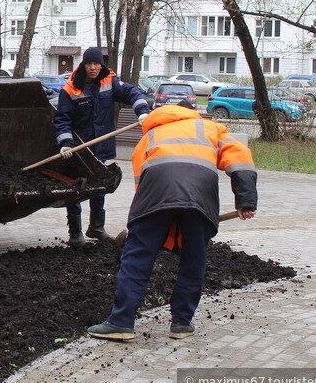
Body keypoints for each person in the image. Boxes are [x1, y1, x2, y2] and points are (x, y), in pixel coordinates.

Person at [87, 100, 258, 341]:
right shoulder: (211, 128)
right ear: (192, 113)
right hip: (201, 195)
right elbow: (240, 159)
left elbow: (141, 181)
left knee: (137, 256)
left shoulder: (151, 135)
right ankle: (181, 324)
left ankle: (121, 322)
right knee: (194, 258)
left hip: (156, 193)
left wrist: (144, 224)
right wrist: (246, 201)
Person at [53, 46, 150, 246]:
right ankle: (75, 232)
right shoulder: (71, 88)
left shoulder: (109, 82)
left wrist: (141, 110)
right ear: (84, 65)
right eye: (89, 63)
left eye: (97, 63)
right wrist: (65, 144)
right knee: (76, 188)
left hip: (101, 145)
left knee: (99, 185)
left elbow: (131, 92)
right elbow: (62, 120)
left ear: (101, 65)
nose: (93, 67)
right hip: (79, 148)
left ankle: (96, 227)